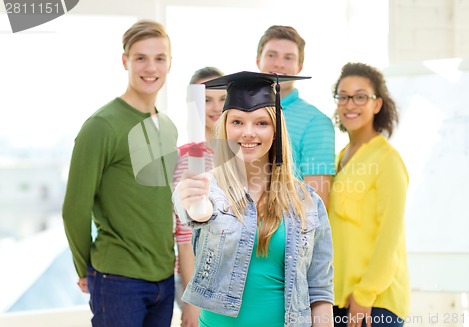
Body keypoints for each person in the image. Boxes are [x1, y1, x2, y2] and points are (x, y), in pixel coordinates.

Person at [174, 71, 334, 327]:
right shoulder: (206, 188)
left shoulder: (308, 202)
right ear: (224, 127)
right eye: (237, 122)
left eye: (261, 123)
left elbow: (320, 290)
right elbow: (193, 211)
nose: (248, 133)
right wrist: (196, 205)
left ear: (276, 130)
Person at [62, 19, 178, 327]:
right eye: (141, 57)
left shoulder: (167, 126)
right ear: (125, 60)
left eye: (159, 58)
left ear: (169, 63)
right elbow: (74, 208)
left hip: (164, 278)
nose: (150, 67)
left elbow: (162, 203)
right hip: (118, 279)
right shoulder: (101, 126)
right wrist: (83, 268)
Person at [328, 62, 410, 327]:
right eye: (344, 96)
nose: (350, 104)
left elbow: (390, 235)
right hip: (339, 299)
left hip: (374, 303)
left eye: (361, 96)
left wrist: (365, 294)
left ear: (377, 104)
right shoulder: (340, 157)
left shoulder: (387, 159)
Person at [256, 25, 335, 207]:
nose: (279, 64)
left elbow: (316, 205)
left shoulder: (316, 123)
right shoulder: (240, 114)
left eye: (288, 57)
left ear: (299, 67)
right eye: (271, 55)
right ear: (258, 60)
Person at [174, 66, 225, 327]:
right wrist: (191, 303)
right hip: (198, 282)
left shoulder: (248, 153)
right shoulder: (185, 159)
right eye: (206, 99)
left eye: (222, 99)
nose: (215, 107)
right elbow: (184, 236)